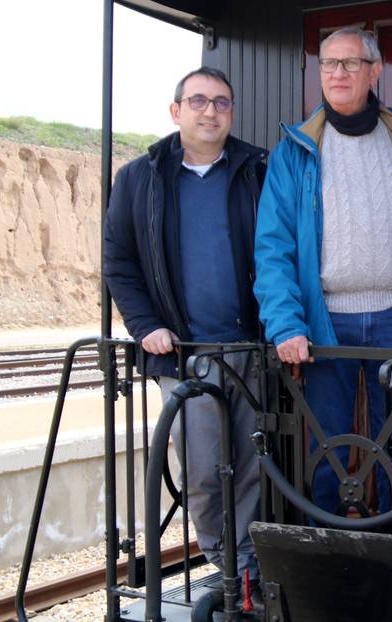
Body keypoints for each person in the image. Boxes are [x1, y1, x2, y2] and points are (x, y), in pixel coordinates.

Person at [253, 26, 392, 569]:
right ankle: (333, 573)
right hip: (325, 326)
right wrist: (285, 326)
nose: (337, 73)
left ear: (374, 70)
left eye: (349, 63)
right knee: (330, 456)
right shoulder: (296, 150)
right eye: (328, 64)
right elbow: (272, 250)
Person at [103, 67, 267, 588]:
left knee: (253, 466)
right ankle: (223, 561)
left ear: (231, 113)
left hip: (251, 348)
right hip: (182, 353)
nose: (209, 111)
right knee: (201, 468)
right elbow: (118, 261)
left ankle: (247, 568)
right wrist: (144, 325)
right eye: (198, 101)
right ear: (176, 111)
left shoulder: (256, 170)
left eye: (221, 103)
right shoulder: (139, 178)